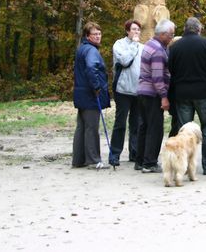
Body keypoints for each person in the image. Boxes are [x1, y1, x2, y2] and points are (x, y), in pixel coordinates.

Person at [168, 17, 206, 175]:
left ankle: (184, 166)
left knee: (184, 131)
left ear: (185, 29)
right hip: (203, 93)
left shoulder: (175, 47)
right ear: (198, 29)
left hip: (182, 94)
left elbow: (170, 68)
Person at [135, 19, 175, 173]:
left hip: (142, 92)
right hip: (153, 94)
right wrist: (164, 96)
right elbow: (157, 77)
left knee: (144, 127)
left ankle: (140, 160)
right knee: (155, 129)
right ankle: (150, 163)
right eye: (171, 35)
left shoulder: (149, 44)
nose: (172, 37)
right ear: (163, 34)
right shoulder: (158, 50)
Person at [72, 21, 110, 169]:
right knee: (91, 128)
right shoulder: (91, 51)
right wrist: (96, 86)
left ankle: (78, 160)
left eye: (99, 34)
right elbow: (90, 67)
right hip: (90, 94)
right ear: (87, 36)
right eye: (95, 34)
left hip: (81, 93)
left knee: (82, 127)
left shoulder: (82, 48)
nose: (98, 36)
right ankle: (93, 160)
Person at [109, 20, 144, 167]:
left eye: (138, 30)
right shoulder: (119, 45)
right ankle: (115, 154)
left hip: (138, 91)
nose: (136, 32)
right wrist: (134, 45)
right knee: (120, 123)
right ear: (127, 31)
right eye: (133, 29)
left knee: (136, 123)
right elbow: (124, 61)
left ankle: (134, 153)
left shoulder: (143, 47)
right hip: (123, 90)